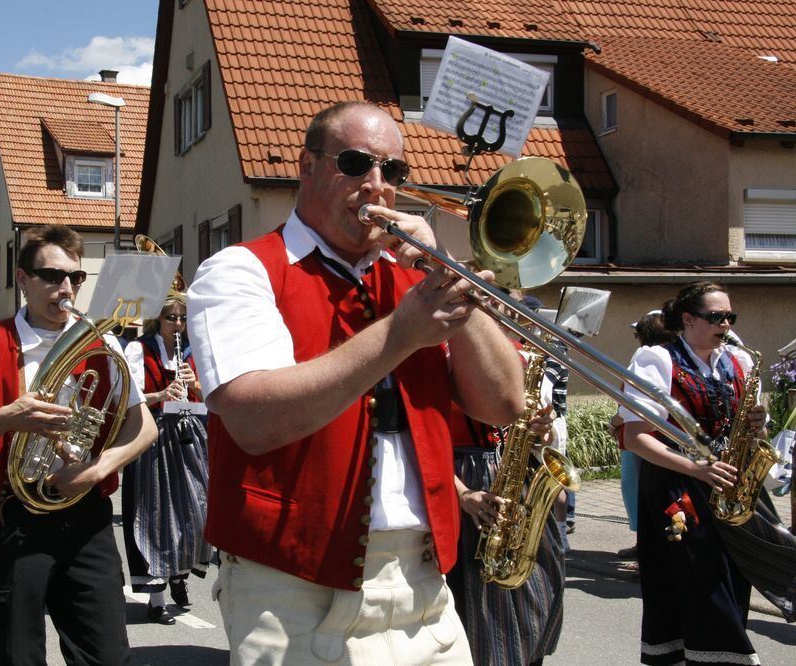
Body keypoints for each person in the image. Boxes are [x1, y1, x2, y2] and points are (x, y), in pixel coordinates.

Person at [187, 101, 524, 664]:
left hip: (423, 579)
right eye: (355, 163)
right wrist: (400, 334)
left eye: (392, 173)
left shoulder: (415, 278)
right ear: (308, 166)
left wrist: (446, 267)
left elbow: (502, 404)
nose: (376, 186)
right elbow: (251, 419)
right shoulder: (240, 271)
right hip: (293, 586)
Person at [0, 224, 158, 665]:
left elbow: (144, 427)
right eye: (52, 276)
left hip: (86, 514)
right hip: (16, 517)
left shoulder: (102, 341)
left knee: (108, 655)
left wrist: (94, 470)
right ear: (22, 279)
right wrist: (9, 416)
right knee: (19, 655)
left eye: (76, 278)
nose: (66, 288)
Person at [621, 281, 795, 664]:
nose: (726, 324)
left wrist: (759, 424)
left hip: (731, 483)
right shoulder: (657, 360)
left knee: (734, 578)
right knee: (698, 581)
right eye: (716, 317)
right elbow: (635, 438)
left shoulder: (739, 361)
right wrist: (696, 468)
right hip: (676, 484)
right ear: (688, 319)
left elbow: (755, 433)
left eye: (730, 317)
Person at [445, 360, 564, 665]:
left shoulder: (519, 359)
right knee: (479, 604)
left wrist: (540, 432)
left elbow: (541, 437)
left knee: (537, 590)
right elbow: (419, 441)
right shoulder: (431, 354)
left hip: (515, 478)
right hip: (461, 477)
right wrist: (461, 493)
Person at [122, 291, 212, 625]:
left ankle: (180, 574)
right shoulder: (139, 349)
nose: (177, 325)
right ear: (158, 319)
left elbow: (212, 393)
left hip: (191, 434)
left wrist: (196, 384)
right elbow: (127, 396)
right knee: (156, 514)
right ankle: (157, 597)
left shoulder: (195, 350)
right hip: (154, 434)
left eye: (182, 318)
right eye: (170, 318)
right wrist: (161, 393)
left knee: (196, 510)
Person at [612, 309, 676, 567]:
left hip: (647, 436)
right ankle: (644, 545)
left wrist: (615, 422)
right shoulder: (660, 357)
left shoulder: (648, 356)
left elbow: (637, 405)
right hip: (645, 436)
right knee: (637, 489)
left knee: (646, 491)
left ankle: (651, 553)